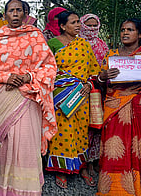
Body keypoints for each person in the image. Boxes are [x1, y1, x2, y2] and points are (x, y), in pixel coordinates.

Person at [0, 0, 58, 195]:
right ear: (5, 14)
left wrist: (29, 77)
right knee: (6, 146)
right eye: (11, 10)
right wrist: (7, 77)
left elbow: (50, 68)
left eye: (19, 10)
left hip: (29, 96)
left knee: (27, 143)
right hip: (4, 97)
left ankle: (28, 190)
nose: (15, 14)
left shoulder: (35, 36)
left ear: (26, 14)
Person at [46, 10, 101, 188]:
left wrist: (88, 84)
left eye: (78, 22)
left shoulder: (83, 44)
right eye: (73, 22)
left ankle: (82, 167)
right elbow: (47, 69)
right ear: (62, 26)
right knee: (62, 131)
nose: (78, 25)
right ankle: (60, 169)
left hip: (82, 94)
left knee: (81, 131)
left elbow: (93, 70)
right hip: (61, 95)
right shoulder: (53, 43)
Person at [96, 18, 141, 195]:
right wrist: (104, 76)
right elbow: (99, 82)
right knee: (113, 150)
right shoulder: (111, 55)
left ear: (139, 34)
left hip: (137, 107)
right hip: (114, 108)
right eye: (123, 30)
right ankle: (113, 191)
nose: (125, 33)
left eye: (130, 30)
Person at [79, 13, 109, 176]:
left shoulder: (102, 45)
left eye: (94, 25)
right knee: (84, 127)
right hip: (80, 90)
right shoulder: (77, 43)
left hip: (100, 90)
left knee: (97, 126)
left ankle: (94, 160)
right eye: (88, 25)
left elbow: (107, 65)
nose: (91, 28)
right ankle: (82, 162)